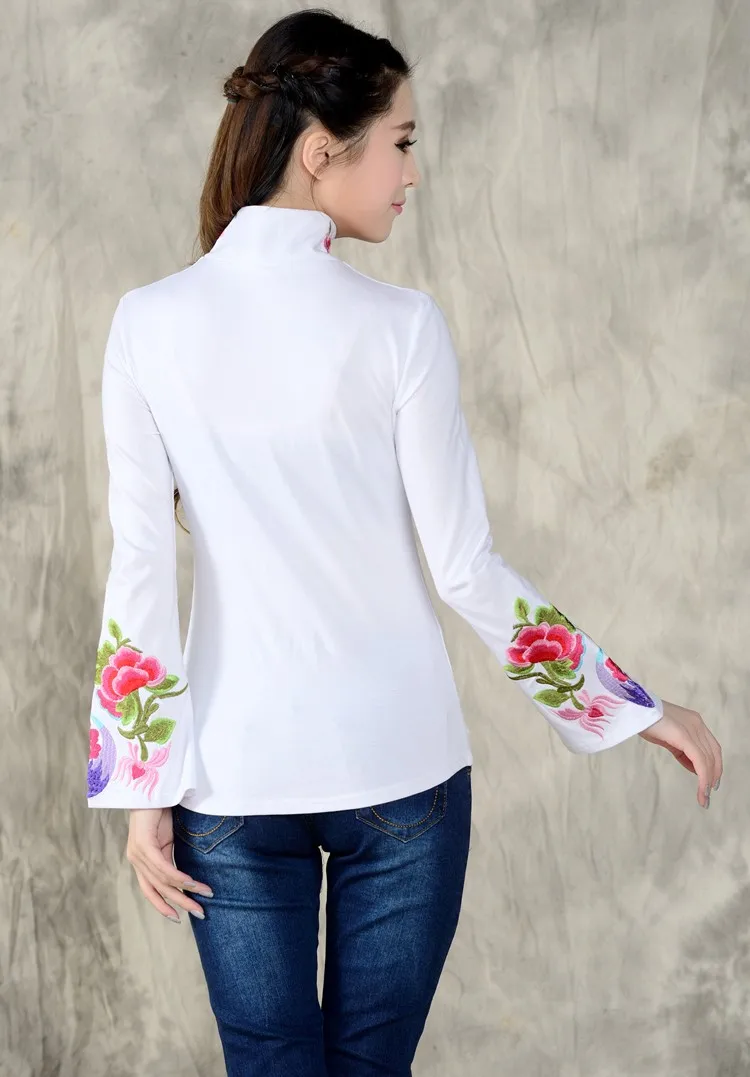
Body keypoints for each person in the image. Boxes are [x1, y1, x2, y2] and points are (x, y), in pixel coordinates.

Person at [85, 9, 723, 1076]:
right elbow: (466, 569)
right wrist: (635, 708)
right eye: (404, 141)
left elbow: (142, 566)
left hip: (230, 781)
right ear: (320, 148)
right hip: (405, 773)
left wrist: (142, 786)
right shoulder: (401, 327)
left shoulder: (147, 322)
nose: (413, 172)